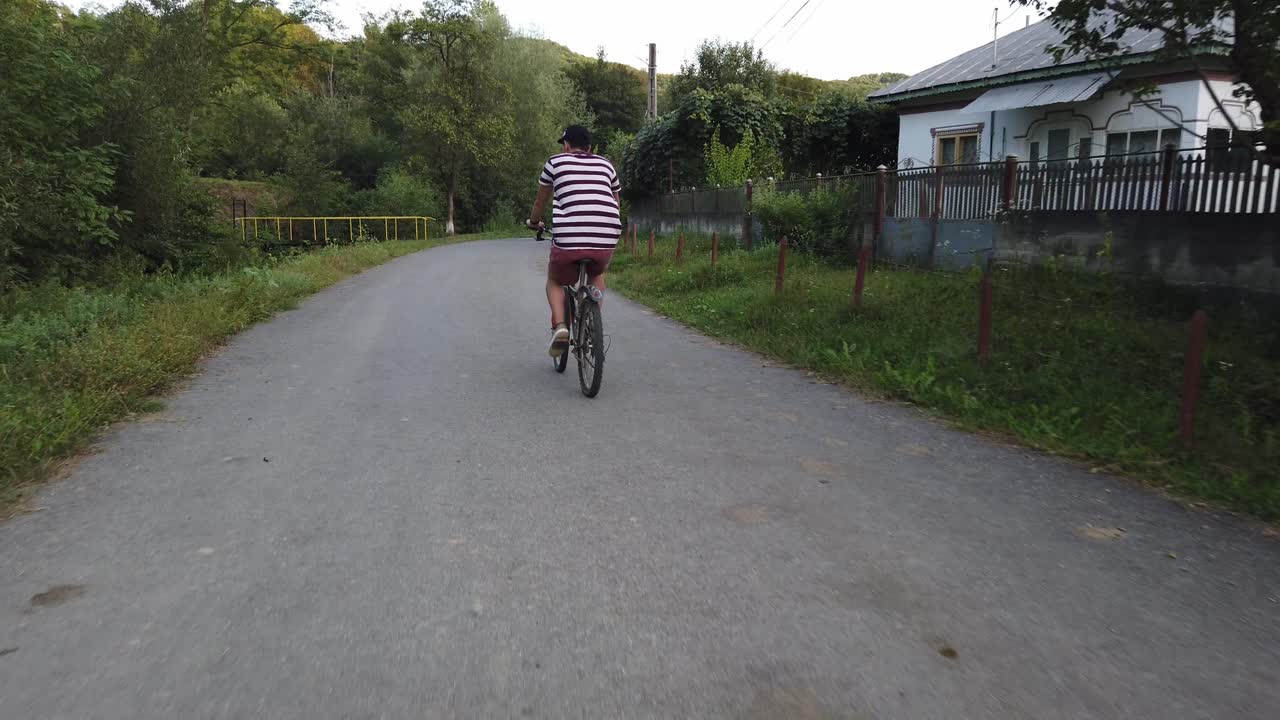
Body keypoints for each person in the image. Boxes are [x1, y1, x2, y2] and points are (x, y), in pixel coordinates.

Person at [526, 125, 622, 357]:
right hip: (607, 234)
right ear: (590, 148)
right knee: (596, 274)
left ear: (567, 146)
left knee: (555, 280)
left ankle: (560, 327)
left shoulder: (555, 162)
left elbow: (541, 202)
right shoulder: (606, 165)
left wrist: (534, 222)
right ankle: (591, 323)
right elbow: (616, 202)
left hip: (569, 237)